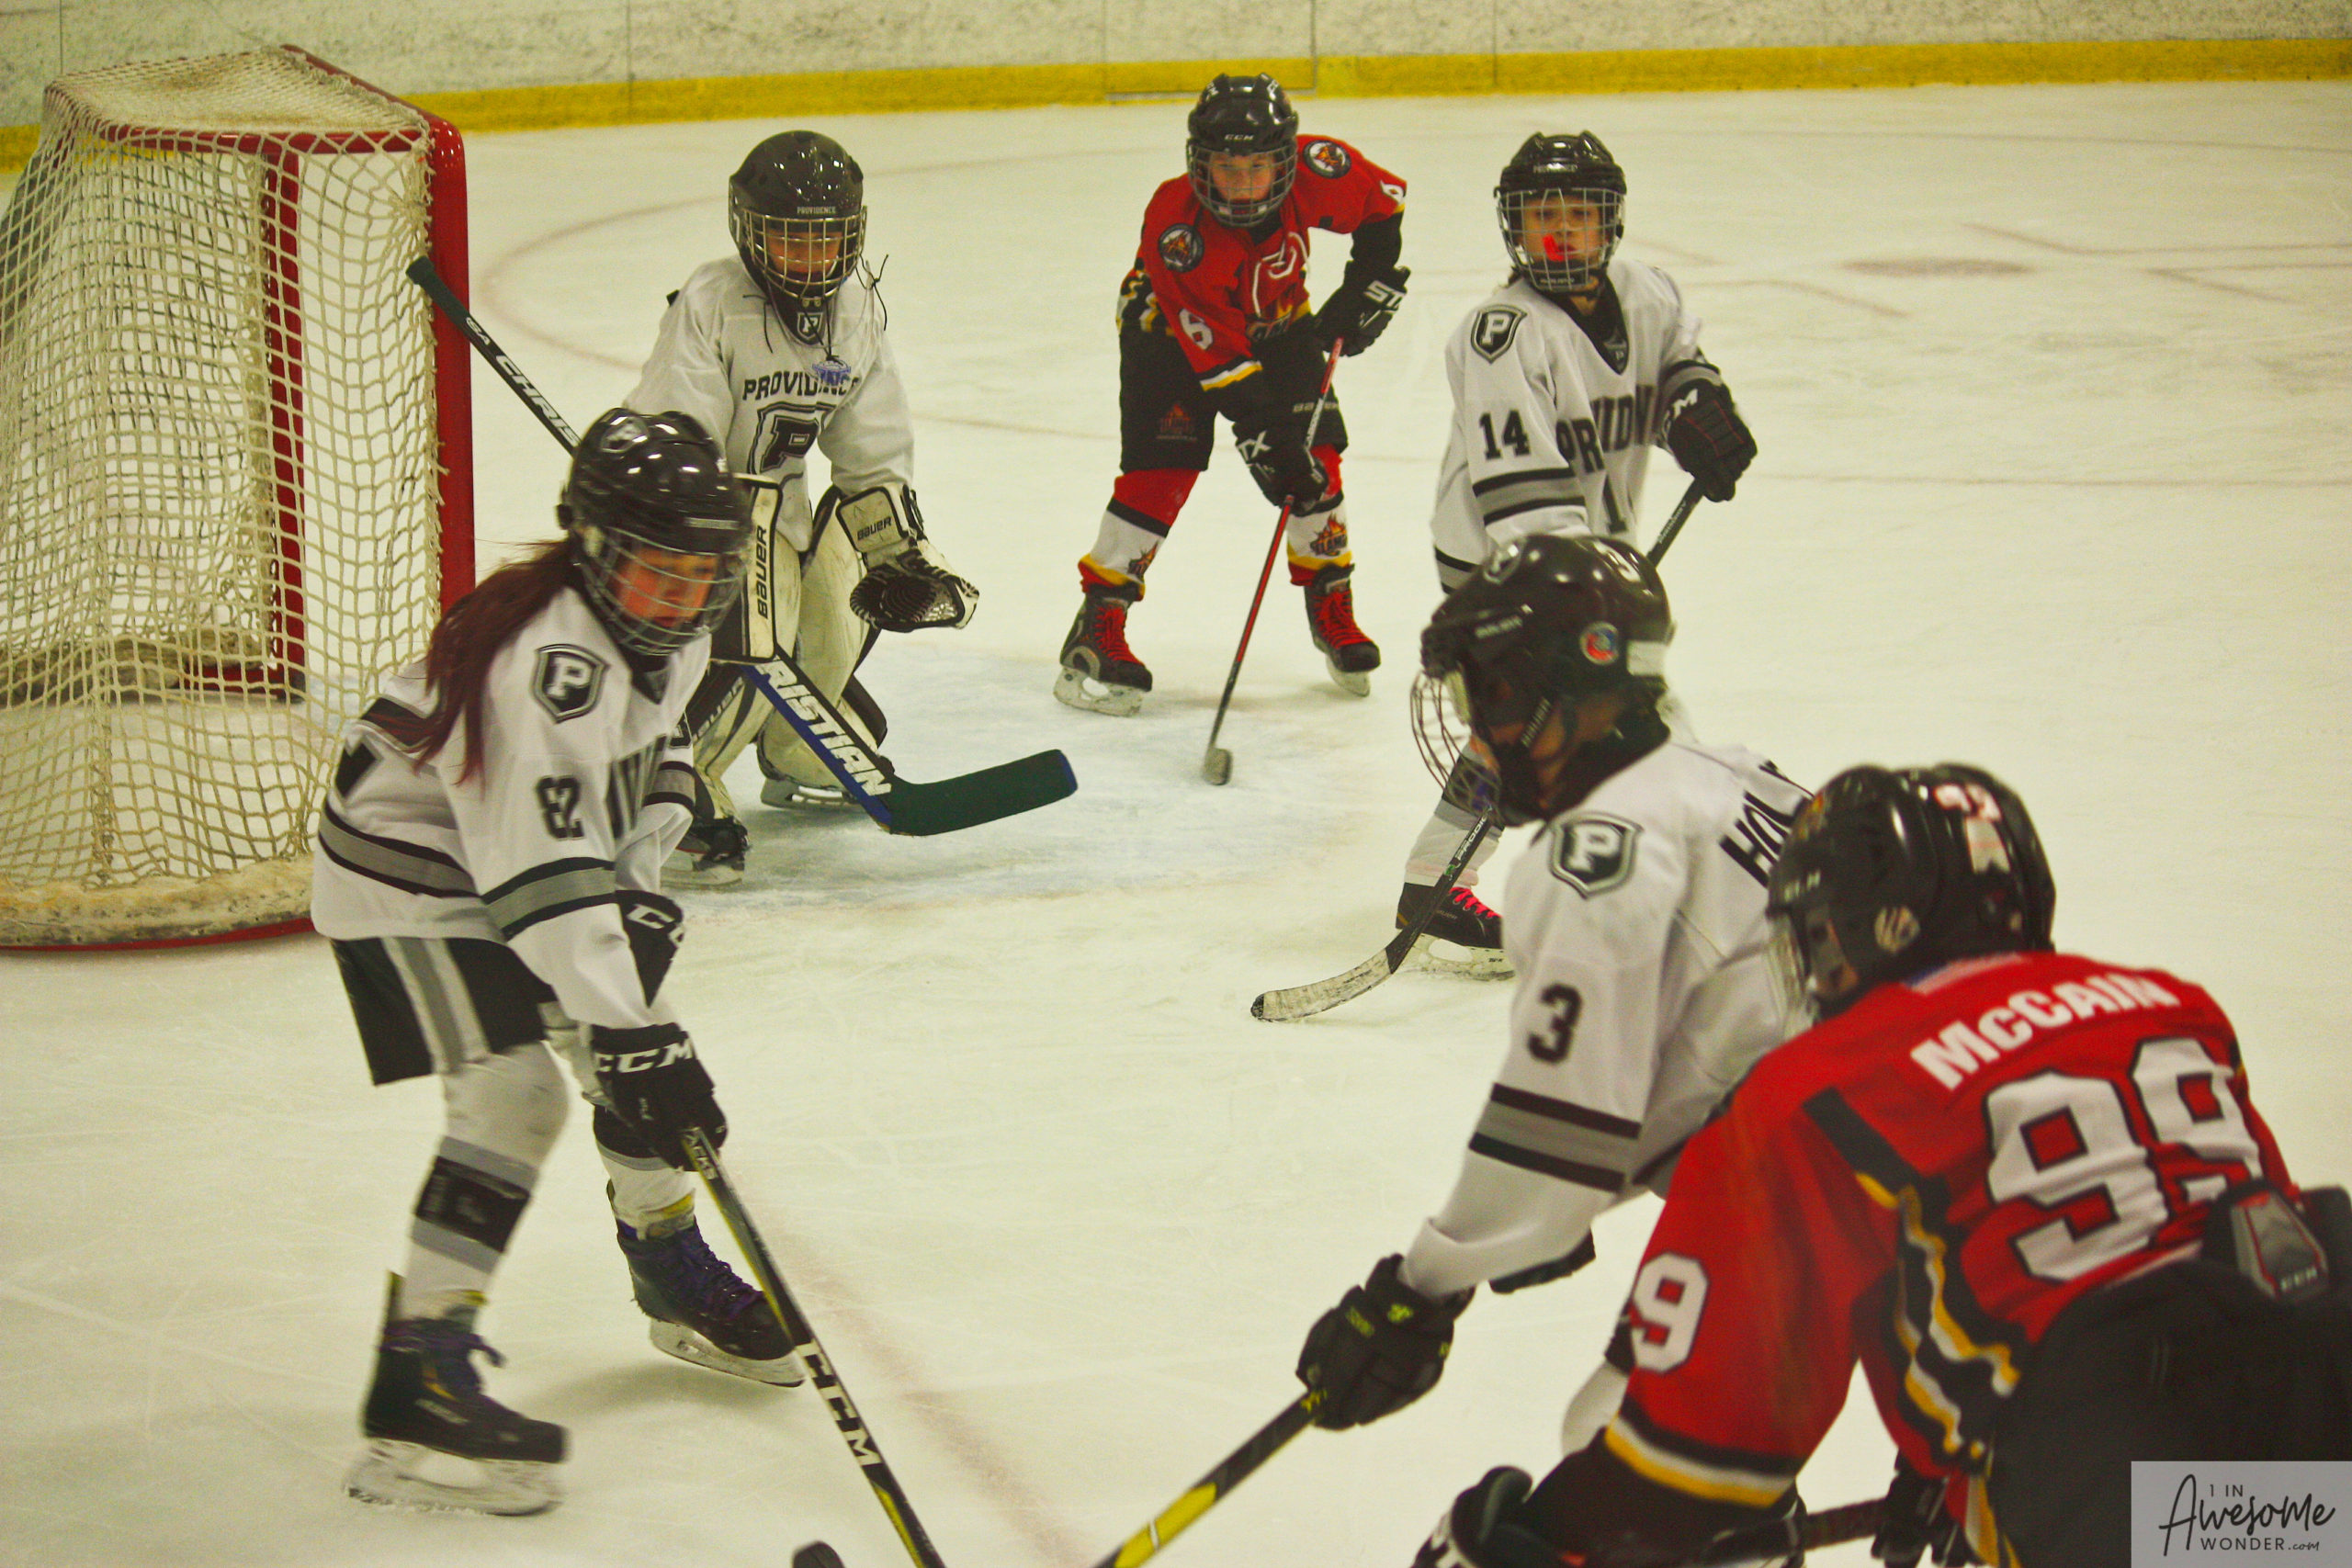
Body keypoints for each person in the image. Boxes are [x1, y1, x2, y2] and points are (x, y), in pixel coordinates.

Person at [1408, 763, 2351, 1568]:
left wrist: (1533, 1541)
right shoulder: (2170, 1007)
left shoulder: (1814, 1087)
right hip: (2313, 1465)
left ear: (1879, 927)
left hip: (2127, 1498)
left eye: (1816, 933)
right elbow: (2227, 1255)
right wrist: (1955, 1461)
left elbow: (1692, 1463)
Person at [314, 411, 798, 1517]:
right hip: (410, 877)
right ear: (592, 547)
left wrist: (638, 901)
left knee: (638, 1058)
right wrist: (626, 1017)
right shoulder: (550, 666)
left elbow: (652, 765)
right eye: (657, 569)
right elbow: (534, 871)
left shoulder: (661, 631)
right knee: (518, 1095)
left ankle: (666, 1267)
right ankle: (419, 1376)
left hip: (507, 860)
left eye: (701, 573)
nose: (682, 595)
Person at [1294, 534, 1811, 1460]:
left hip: (1858, 1188)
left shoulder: (1592, 855)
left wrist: (1423, 1286)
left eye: (1488, 696)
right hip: (1941, 1145)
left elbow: (1564, 1123)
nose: (1479, 732)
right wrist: (1549, 1213)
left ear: (1569, 685)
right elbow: (1720, 1060)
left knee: (1623, 1455)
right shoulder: (1739, 776)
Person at [1394, 130, 1758, 970]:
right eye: (1543, 216)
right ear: (1514, 229)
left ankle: (1431, 886)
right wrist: (1583, 597)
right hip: (1506, 565)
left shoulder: (1646, 293)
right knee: (1631, 720)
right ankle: (1666, 893)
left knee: (1522, 730)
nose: (1561, 232)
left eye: (1579, 215)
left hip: (1594, 560)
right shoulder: (1500, 334)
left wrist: (1698, 410)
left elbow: (1678, 364)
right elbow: (1520, 495)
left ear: (1610, 223)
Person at [627, 130, 978, 886]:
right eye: (790, 240)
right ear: (749, 232)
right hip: (699, 522)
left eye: (826, 241)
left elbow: (872, 455)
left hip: (780, 515)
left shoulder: (855, 314)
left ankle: (794, 745)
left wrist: (903, 557)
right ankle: (679, 777)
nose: (810, 261)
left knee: (846, 574)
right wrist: (706, 540)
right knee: (761, 606)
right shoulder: (712, 302)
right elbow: (680, 440)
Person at [1054, 73, 1410, 716]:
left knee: (1318, 459)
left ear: (1286, 161)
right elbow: (1221, 365)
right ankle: (1099, 621)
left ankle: (1332, 603)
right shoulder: (1177, 229)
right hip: (1167, 335)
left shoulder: (1319, 169)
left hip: (1279, 322)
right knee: (1163, 471)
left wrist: (1367, 282)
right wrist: (1267, 435)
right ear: (1200, 165)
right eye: (1226, 169)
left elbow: (1384, 204)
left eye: (1258, 169)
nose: (1243, 185)